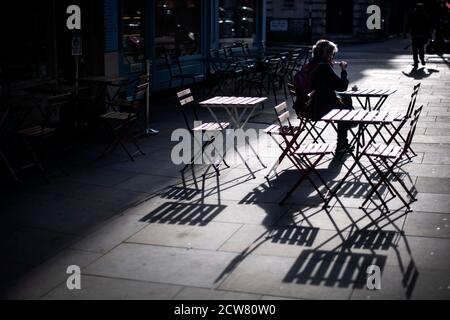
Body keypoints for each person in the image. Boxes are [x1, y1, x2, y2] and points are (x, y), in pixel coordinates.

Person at [308, 39, 353, 153]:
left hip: (311, 104)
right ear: (327, 54)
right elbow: (342, 86)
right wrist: (343, 71)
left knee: (345, 100)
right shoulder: (324, 67)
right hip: (321, 108)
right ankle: (342, 142)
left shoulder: (312, 64)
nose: (333, 56)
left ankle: (345, 134)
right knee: (345, 111)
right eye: (332, 53)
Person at [407, 3, 432, 68]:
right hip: (423, 35)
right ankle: (422, 58)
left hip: (414, 35)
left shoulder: (413, 16)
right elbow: (428, 26)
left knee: (414, 49)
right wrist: (429, 35)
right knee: (421, 48)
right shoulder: (425, 16)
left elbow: (409, 24)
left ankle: (415, 61)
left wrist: (406, 32)